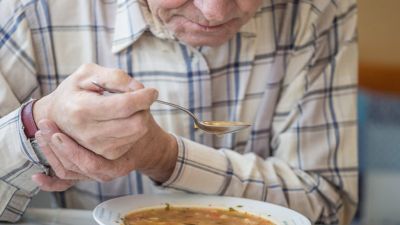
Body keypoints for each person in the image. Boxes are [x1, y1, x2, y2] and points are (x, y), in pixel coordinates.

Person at [0, 0, 358, 224]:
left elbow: (328, 205)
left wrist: (164, 156)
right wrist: (34, 124)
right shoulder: (27, 11)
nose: (214, 11)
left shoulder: (319, 11)